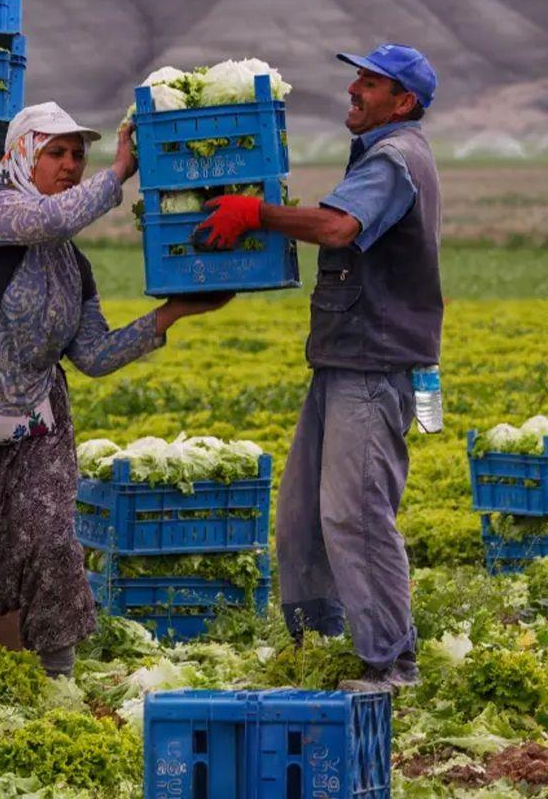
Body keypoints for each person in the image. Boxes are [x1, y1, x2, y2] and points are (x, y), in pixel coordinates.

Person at [0, 103, 230, 677]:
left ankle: (58, 676)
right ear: (20, 156)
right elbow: (50, 219)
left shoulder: (72, 266)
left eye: (77, 155)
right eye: (55, 153)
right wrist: (117, 175)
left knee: (48, 540)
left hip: (28, 428)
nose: (69, 165)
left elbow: (93, 355)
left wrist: (173, 314)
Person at [194, 43, 442, 693]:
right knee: (303, 513)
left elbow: (336, 228)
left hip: (374, 362)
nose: (354, 89)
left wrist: (257, 214)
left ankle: (391, 664)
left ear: (404, 101)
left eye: (370, 81)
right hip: (342, 357)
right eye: (356, 77)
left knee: (355, 512)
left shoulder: (395, 159)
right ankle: (322, 645)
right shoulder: (378, 154)